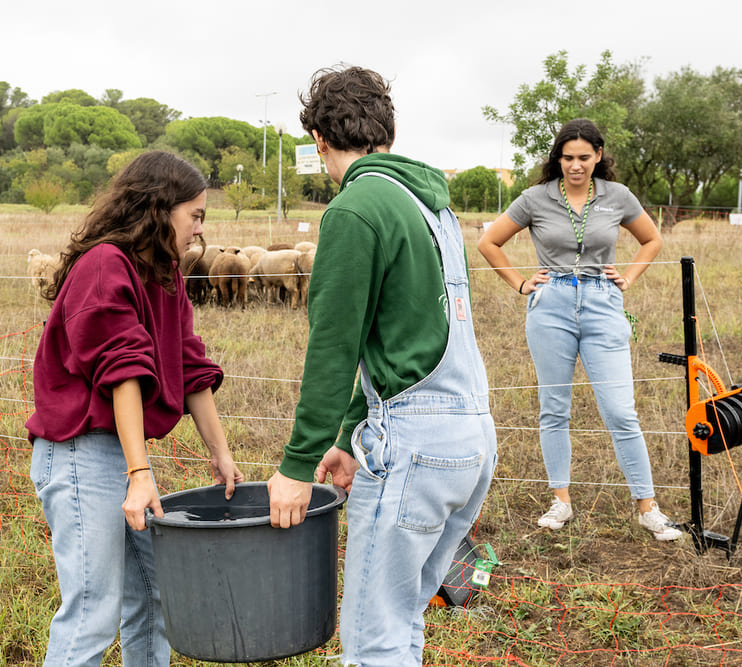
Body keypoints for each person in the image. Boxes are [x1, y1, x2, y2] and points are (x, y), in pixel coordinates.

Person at [267, 66, 497, 666]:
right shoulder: (432, 206)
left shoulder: (356, 207)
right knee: (402, 621)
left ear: (319, 140)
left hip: (415, 445)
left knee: (372, 640)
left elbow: (335, 346)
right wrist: (347, 434)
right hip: (469, 436)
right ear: (387, 132)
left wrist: (297, 465)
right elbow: (395, 335)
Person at [25, 150, 245, 666]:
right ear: (158, 207)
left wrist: (221, 452)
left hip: (118, 456)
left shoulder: (163, 273)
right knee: (92, 612)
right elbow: (123, 371)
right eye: (195, 215)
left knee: (154, 595)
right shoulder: (106, 264)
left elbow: (190, 365)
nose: (198, 230)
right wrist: (139, 471)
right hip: (82, 454)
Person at [477, 118, 682, 542]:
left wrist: (629, 275)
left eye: (584, 157)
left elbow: (652, 240)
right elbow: (488, 242)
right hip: (550, 307)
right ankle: (561, 502)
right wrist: (520, 282)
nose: (575, 165)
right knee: (555, 409)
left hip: (603, 305)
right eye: (567, 158)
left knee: (621, 411)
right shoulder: (535, 198)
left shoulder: (617, 196)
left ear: (598, 156)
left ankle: (648, 508)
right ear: (558, 158)